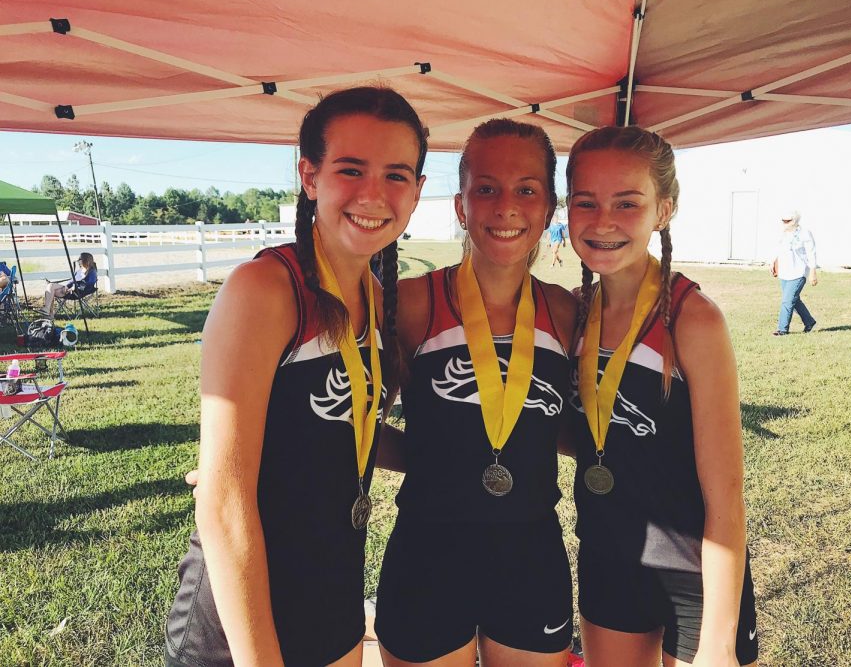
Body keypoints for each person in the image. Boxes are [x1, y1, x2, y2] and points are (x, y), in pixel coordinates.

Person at [164, 86, 427, 667]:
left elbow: (344, 427)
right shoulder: (265, 289)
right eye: (351, 169)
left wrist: (452, 456)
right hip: (240, 616)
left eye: (396, 175)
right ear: (309, 176)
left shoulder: (376, 297)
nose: (374, 194)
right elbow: (224, 501)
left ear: (418, 191)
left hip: (333, 594)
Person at [375, 119, 578, 667]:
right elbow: (353, 425)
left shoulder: (568, 313)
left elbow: (570, 427)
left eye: (526, 190)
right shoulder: (413, 303)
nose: (505, 207)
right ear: (461, 205)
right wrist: (428, 459)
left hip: (532, 552)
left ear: (549, 208)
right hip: (428, 550)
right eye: (485, 189)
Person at [565, 126, 758, 667]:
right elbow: (588, 433)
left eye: (627, 203)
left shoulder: (693, 320)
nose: (603, 221)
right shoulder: (575, 314)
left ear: (664, 209)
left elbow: (726, 495)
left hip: (695, 568)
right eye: (586, 202)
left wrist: (720, 642)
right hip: (608, 556)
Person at [771, 211, 817, 335]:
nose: (785, 223)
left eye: (788, 221)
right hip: (784, 273)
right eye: (783, 221)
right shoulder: (782, 234)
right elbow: (778, 250)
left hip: (798, 272)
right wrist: (773, 263)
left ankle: (782, 330)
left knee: (787, 301)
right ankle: (809, 321)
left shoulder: (804, 234)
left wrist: (813, 272)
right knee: (794, 300)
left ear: (795, 220)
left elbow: (811, 253)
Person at [41, 252, 97, 319]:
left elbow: (88, 284)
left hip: (77, 292)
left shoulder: (92, 272)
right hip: (69, 289)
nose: (78, 261)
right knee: (50, 287)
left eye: (80, 259)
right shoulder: (79, 271)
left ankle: (49, 313)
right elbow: (72, 280)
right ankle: (48, 312)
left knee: (51, 289)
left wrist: (75, 287)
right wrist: (67, 286)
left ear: (86, 260)